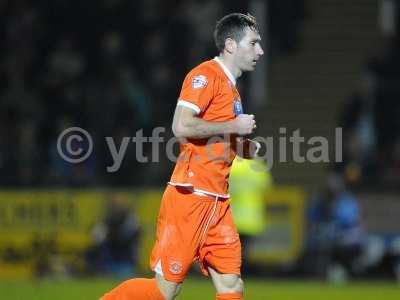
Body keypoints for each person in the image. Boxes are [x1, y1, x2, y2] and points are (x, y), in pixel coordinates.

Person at [101, 12, 264, 300]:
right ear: (230, 45)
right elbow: (181, 125)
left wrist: (244, 147)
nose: (260, 51)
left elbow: (219, 137)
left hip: (218, 202)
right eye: (253, 43)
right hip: (190, 197)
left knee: (232, 286)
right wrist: (234, 126)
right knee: (164, 291)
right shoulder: (205, 76)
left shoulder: (233, 92)